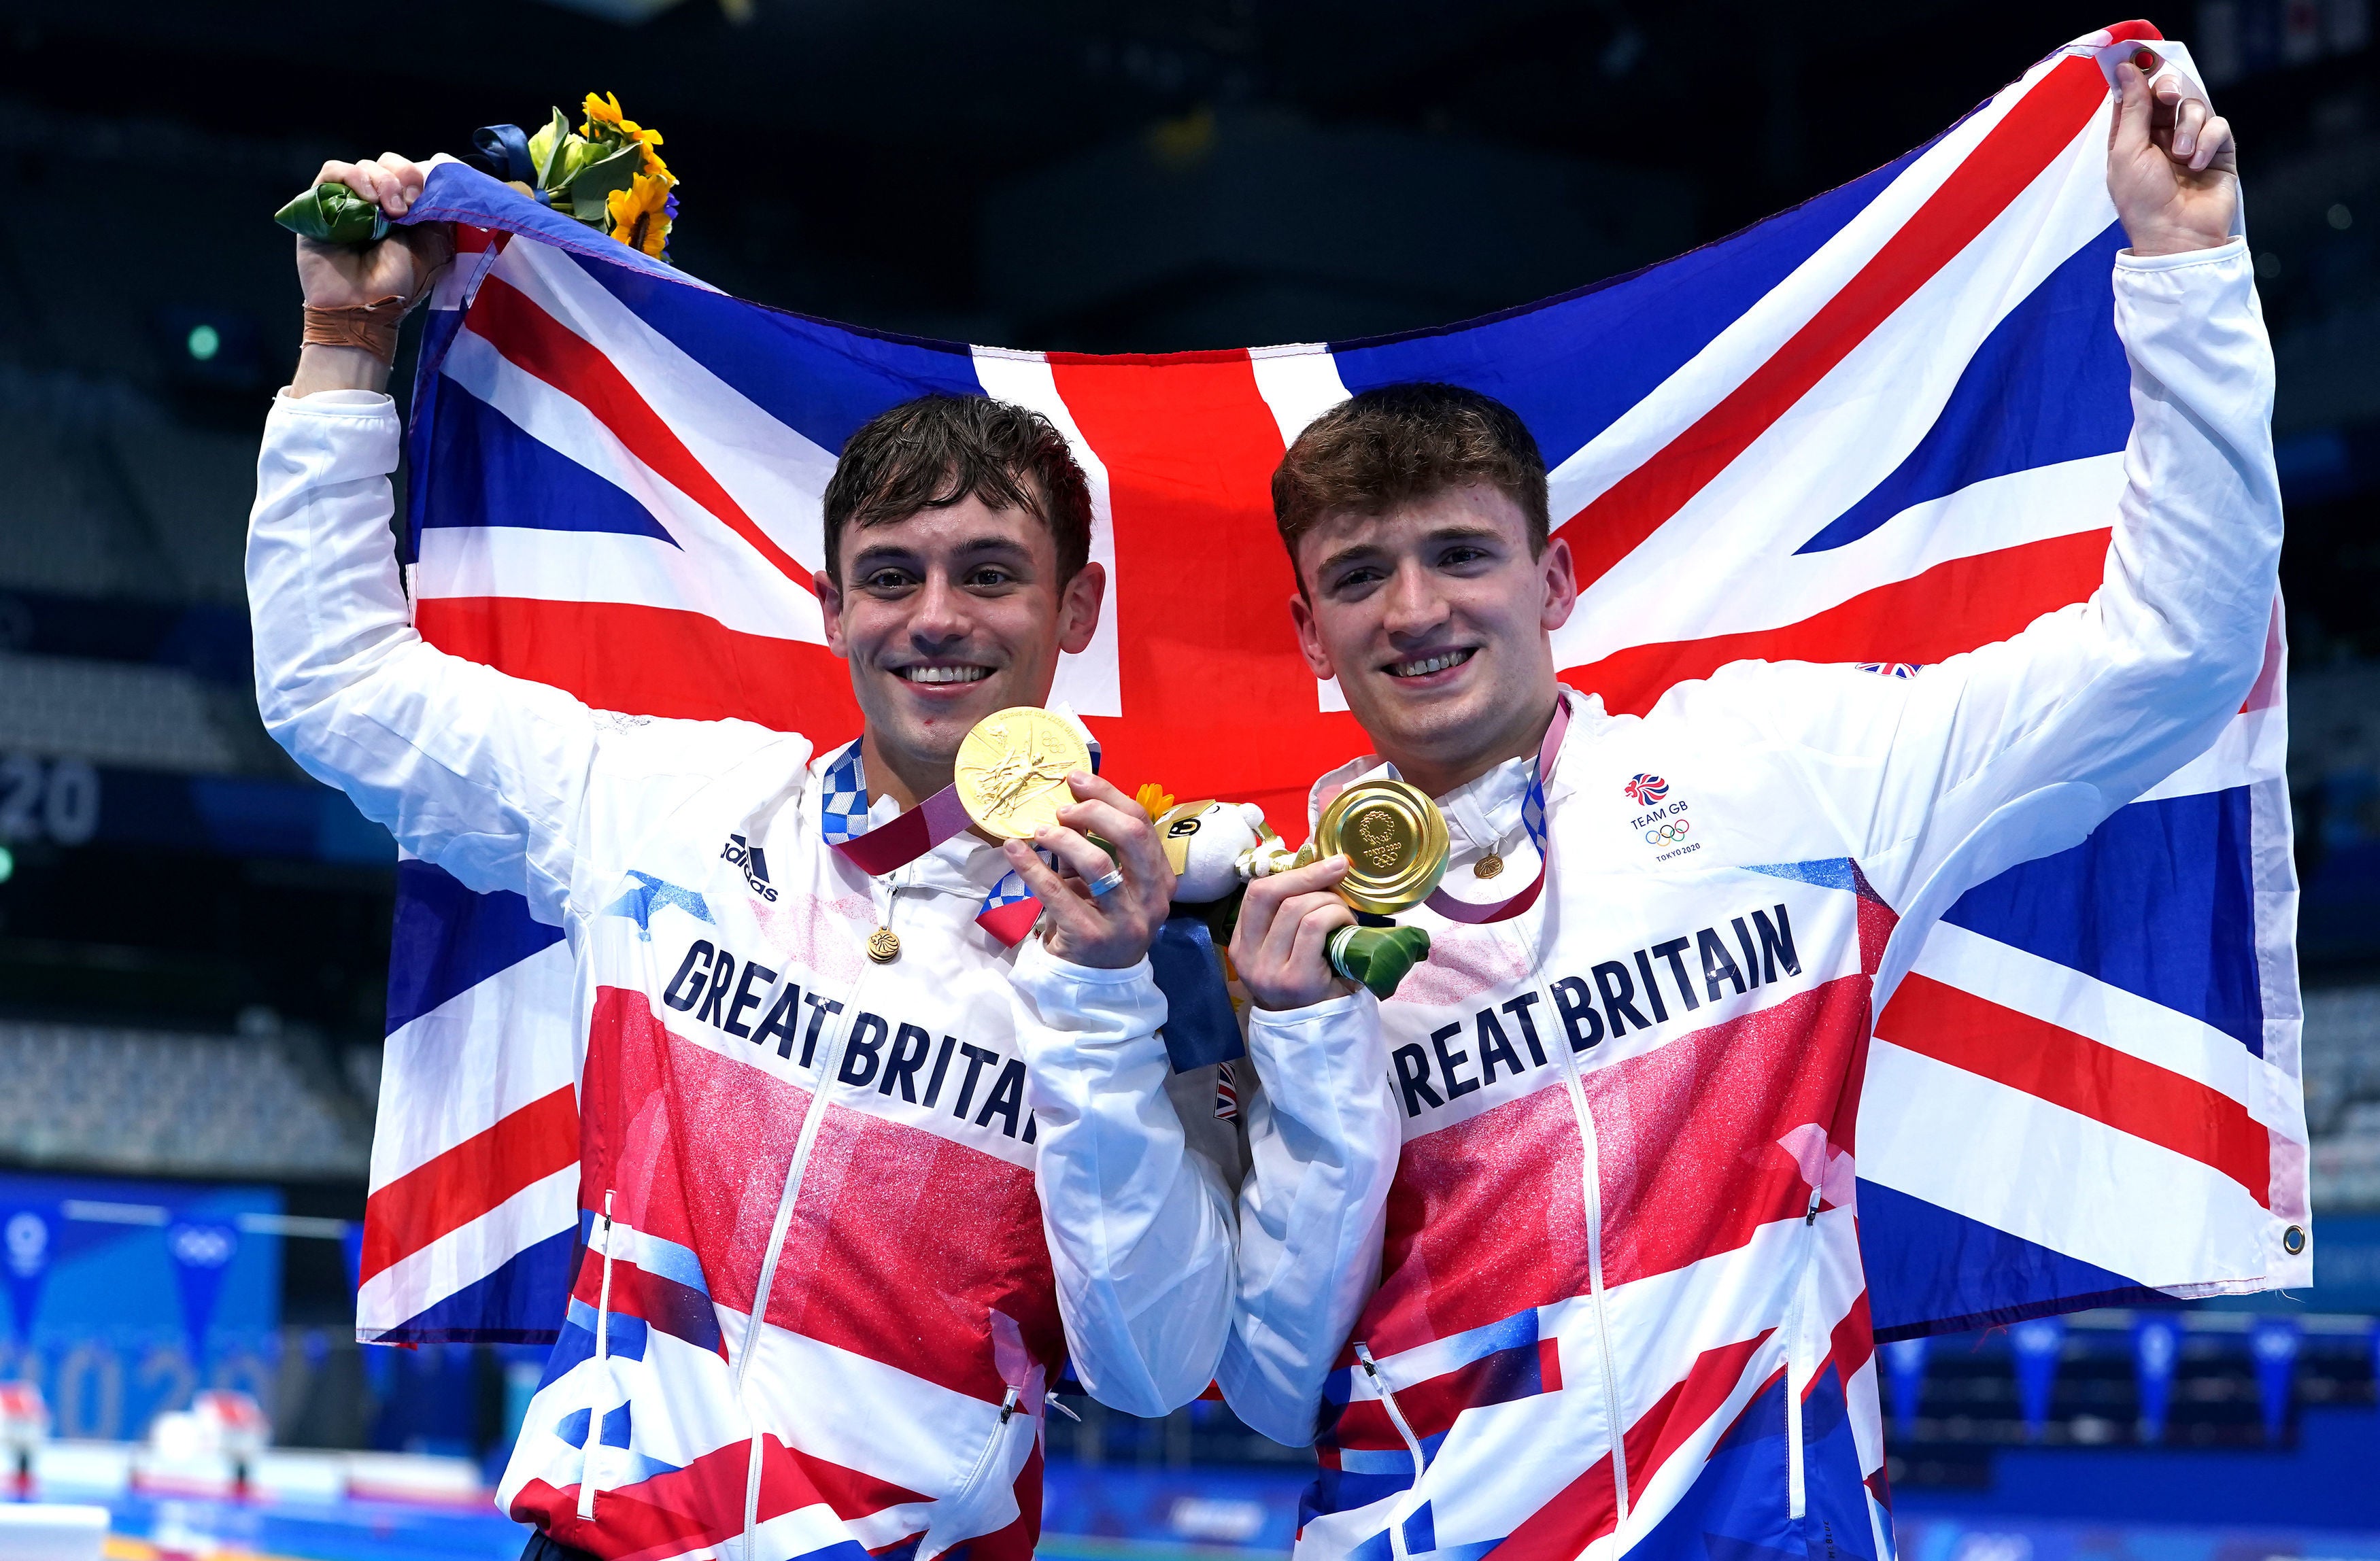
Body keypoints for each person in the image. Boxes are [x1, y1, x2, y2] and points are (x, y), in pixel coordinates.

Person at [1221, 58, 2277, 1560]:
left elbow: (2174, 651)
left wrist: (2182, 269)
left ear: (1556, 581)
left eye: (1461, 554)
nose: (1416, 609)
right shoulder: (1283, 931)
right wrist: (1301, 1038)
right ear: (1311, 635)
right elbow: (1273, 1379)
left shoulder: (1779, 768)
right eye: (1358, 577)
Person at [254, 154, 1262, 1561]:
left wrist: (1100, 997)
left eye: (989, 574)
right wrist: (349, 340)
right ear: (830, 604)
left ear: (1073, 606)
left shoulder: (1155, 937)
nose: (936, 617)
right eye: (892, 575)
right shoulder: (664, 803)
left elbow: (1152, 1365)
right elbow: (337, 686)